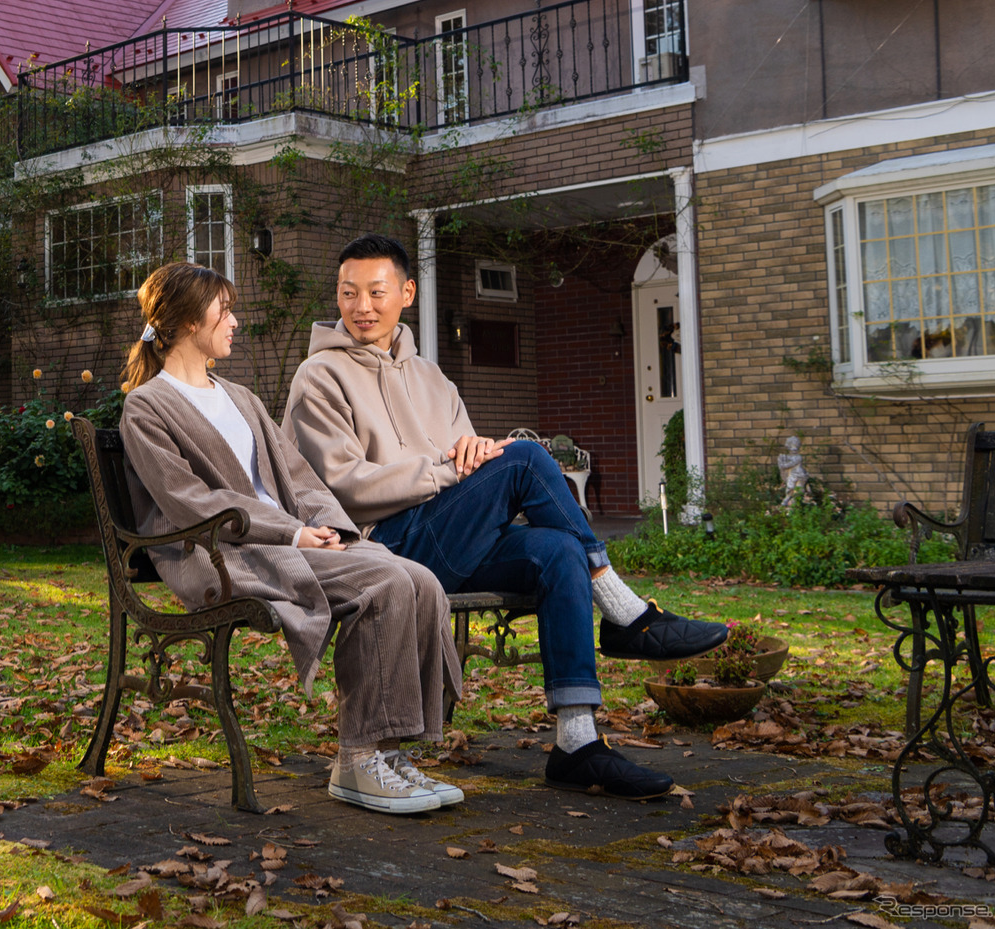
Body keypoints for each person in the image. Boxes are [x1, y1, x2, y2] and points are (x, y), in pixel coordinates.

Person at [281, 234, 728, 800]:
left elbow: (469, 454)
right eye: (349, 294)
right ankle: (623, 610)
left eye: (376, 292)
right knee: (522, 456)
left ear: (407, 293)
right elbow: (346, 487)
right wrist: (448, 468)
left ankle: (577, 742)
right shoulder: (319, 376)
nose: (362, 307)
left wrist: (469, 457)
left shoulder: (432, 378)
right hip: (389, 546)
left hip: (454, 536)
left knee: (556, 550)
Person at [118, 261, 462, 815]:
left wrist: (330, 529)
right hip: (226, 552)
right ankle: (357, 760)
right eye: (223, 311)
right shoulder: (147, 406)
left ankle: (390, 752)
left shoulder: (239, 396)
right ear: (185, 322)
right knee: (385, 581)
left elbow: (300, 477)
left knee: (418, 578)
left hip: (290, 539)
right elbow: (190, 501)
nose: (235, 322)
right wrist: (292, 533)